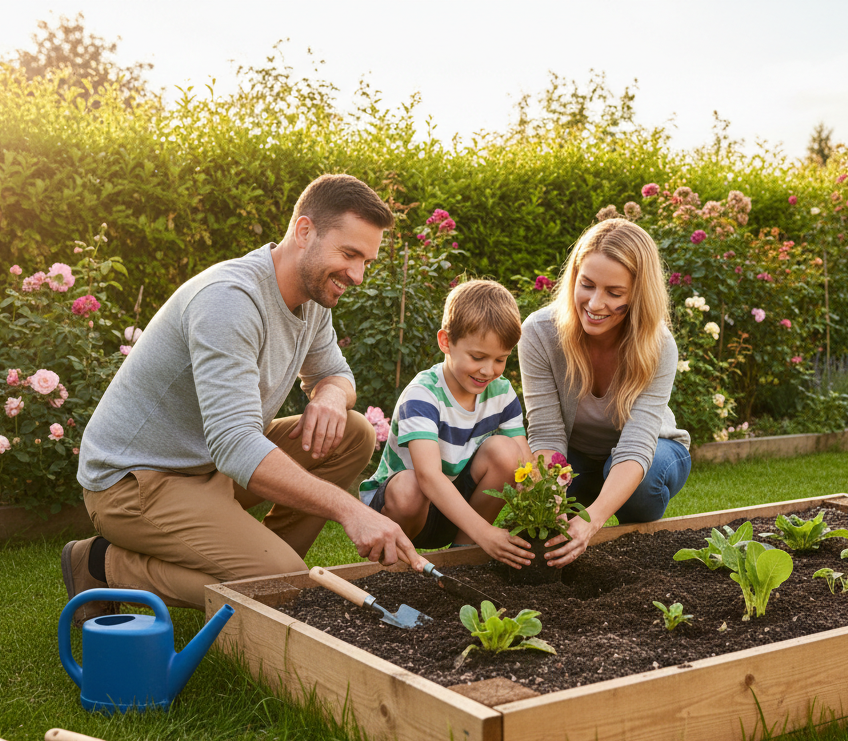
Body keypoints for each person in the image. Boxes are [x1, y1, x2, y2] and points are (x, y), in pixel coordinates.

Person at [63, 173, 420, 623]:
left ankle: (267, 569)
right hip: (136, 481)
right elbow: (234, 443)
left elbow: (335, 374)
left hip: (206, 466)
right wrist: (350, 511)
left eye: (366, 260)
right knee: (278, 586)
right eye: (349, 254)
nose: (357, 274)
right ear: (304, 231)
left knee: (352, 431)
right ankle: (100, 565)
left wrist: (330, 395)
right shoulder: (229, 301)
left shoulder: (310, 297)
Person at [519, 218, 691, 567]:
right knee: (538, 500)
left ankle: (636, 547)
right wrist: (551, 497)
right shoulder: (539, 333)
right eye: (587, 285)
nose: (596, 304)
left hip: (654, 451)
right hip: (577, 456)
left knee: (638, 489)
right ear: (574, 279)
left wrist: (591, 520)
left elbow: (637, 444)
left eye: (614, 293)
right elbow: (547, 432)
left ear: (638, 295)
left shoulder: (658, 346)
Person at [360, 280, 534, 568]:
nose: (488, 370)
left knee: (508, 454)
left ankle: (461, 556)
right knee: (410, 487)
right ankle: (391, 562)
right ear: (445, 342)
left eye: (500, 359)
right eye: (477, 357)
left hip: (452, 508)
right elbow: (428, 476)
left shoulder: (501, 391)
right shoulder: (423, 394)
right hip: (403, 510)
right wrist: (487, 533)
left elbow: (524, 462)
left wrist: (547, 509)